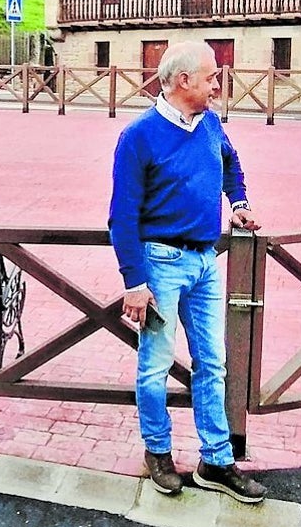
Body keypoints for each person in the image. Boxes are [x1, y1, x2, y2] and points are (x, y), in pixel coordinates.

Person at [108, 40, 266, 503]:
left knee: (212, 363)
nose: (217, 84)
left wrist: (238, 202)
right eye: (211, 77)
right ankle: (158, 451)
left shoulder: (211, 124)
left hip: (204, 262)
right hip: (159, 266)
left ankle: (216, 460)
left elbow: (230, 163)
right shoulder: (139, 136)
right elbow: (122, 215)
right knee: (155, 364)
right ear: (183, 82)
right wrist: (134, 282)